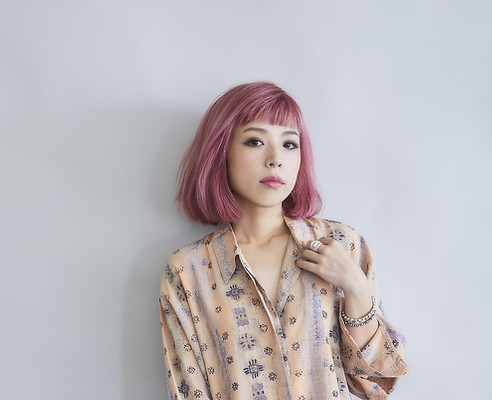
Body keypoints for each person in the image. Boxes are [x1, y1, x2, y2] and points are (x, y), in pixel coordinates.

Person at [159, 82, 408, 400]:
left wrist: (357, 288)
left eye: (290, 144)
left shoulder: (340, 244)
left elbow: (374, 383)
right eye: (255, 141)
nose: (276, 159)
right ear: (221, 152)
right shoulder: (188, 270)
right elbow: (188, 391)